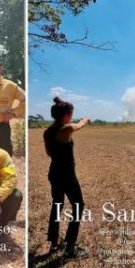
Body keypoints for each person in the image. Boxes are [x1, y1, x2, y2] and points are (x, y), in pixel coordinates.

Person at [44, 97, 90, 259]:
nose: (71, 116)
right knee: (78, 205)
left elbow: (49, 153)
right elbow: (78, 125)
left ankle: (53, 241)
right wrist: (85, 120)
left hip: (54, 172)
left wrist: (61, 103)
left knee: (57, 205)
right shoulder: (67, 129)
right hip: (67, 175)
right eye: (70, 114)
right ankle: (70, 248)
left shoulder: (48, 131)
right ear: (66, 116)